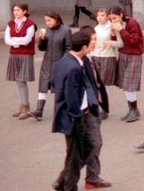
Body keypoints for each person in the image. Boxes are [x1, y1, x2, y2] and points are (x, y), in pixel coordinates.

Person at [50, 31, 101, 191]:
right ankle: (69, 186)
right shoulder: (74, 67)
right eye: (90, 43)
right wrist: (77, 116)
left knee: (87, 148)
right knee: (75, 156)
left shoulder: (66, 61)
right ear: (84, 47)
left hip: (75, 115)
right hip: (75, 117)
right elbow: (71, 97)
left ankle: (62, 181)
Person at [78, 26, 111, 189]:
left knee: (95, 143)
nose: (94, 42)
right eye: (92, 40)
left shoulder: (90, 57)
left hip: (93, 106)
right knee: (92, 144)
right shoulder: (79, 61)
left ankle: (92, 177)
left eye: (95, 39)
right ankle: (66, 178)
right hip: (85, 109)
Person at [30, 11, 71, 121]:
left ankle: (62, 112)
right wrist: (42, 39)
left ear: (56, 20)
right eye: (46, 21)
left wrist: (64, 62)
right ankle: (39, 111)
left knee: (59, 88)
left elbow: (68, 48)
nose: (47, 23)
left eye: (49, 20)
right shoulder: (46, 31)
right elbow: (42, 48)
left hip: (60, 64)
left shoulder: (66, 30)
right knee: (43, 87)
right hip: (47, 63)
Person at [108, 6, 144, 122]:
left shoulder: (132, 23)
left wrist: (121, 30)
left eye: (115, 18)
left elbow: (133, 40)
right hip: (123, 54)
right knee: (125, 85)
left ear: (121, 14)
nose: (113, 21)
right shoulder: (117, 25)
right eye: (111, 19)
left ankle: (135, 110)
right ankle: (132, 109)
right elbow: (118, 42)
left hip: (134, 55)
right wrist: (113, 33)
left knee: (129, 84)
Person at [4, 2, 37, 120]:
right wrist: (18, 42)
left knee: (22, 80)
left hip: (26, 54)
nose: (15, 12)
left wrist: (15, 41)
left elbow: (27, 40)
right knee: (18, 81)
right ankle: (23, 104)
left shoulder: (30, 24)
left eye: (18, 10)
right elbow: (7, 40)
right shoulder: (10, 24)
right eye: (14, 10)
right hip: (14, 54)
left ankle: (26, 107)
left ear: (25, 11)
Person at [92, 8, 123, 119]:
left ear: (107, 17)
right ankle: (95, 107)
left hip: (108, 57)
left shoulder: (112, 27)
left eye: (102, 15)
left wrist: (110, 43)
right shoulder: (95, 28)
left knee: (105, 85)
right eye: (98, 15)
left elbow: (120, 43)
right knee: (96, 83)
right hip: (95, 56)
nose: (100, 18)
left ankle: (104, 109)